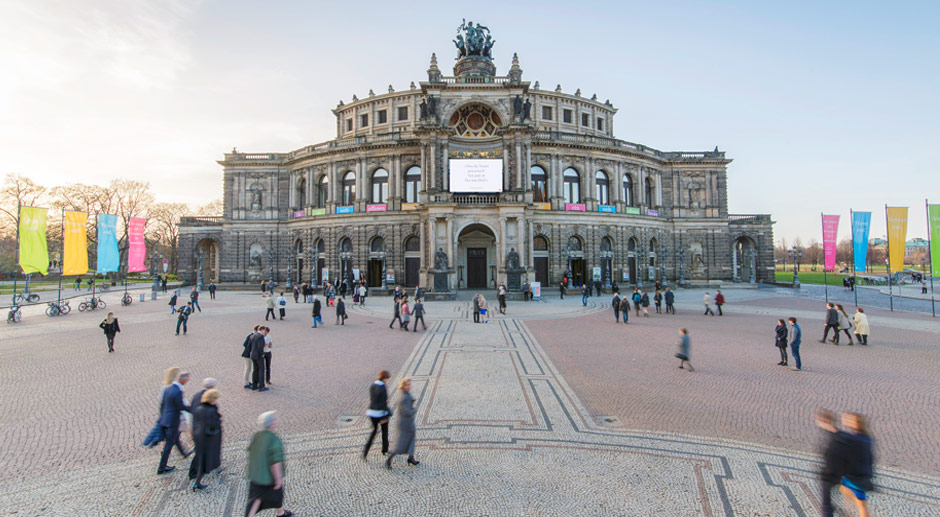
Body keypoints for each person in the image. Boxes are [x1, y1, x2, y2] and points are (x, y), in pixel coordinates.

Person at [245, 411, 293, 517]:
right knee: (272, 494)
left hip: (256, 475)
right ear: (271, 424)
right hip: (267, 477)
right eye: (275, 420)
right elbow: (275, 461)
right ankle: (280, 513)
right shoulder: (274, 439)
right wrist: (278, 478)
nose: (277, 421)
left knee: (258, 498)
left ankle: (280, 512)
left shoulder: (257, 436)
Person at [839, 412, 875, 517]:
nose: (846, 421)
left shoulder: (856, 439)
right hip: (859, 475)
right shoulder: (866, 438)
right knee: (844, 490)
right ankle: (848, 514)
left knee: (861, 503)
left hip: (857, 476)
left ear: (856, 424)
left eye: (849, 420)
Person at [816, 408, 850, 517]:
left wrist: (827, 472)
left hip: (829, 475)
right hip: (836, 475)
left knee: (826, 505)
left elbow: (833, 457)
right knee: (827, 502)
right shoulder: (840, 435)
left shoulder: (834, 439)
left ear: (825, 421)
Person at [157, 370, 191, 474]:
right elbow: (181, 406)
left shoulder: (167, 388)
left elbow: (162, 404)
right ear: (183, 380)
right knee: (170, 442)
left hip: (167, 419)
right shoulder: (178, 391)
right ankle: (162, 467)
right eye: (187, 379)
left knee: (175, 438)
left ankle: (183, 453)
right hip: (173, 421)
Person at [188, 388, 222, 491]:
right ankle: (197, 483)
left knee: (200, 460)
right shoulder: (211, 410)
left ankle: (196, 480)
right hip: (207, 439)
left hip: (199, 437)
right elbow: (214, 424)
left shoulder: (199, 408)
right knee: (205, 463)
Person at [385, 377, 419, 469]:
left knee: (411, 439)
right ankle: (390, 458)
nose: (409, 386)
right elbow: (407, 412)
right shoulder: (404, 397)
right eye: (407, 385)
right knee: (401, 443)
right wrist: (414, 410)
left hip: (406, 422)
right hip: (406, 423)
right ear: (403, 386)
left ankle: (411, 457)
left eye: (409, 384)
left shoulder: (403, 393)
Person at [363, 370, 391, 460]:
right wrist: (385, 416)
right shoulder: (383, 387)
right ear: (385, 378)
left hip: (371, 412)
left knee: (374, 431)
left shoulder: (372, 385)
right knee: (384, 431)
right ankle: (385, 449)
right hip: (380, 413)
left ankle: (365, 451)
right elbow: (384, 402)